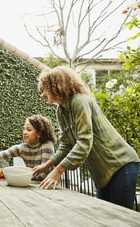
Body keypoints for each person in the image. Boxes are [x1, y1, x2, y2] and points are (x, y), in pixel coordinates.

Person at [33, 66, 140, 209]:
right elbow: (66, 144)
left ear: (55, 85)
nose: (42, 94)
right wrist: (45, 166)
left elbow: (84, 141)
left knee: (120, 217)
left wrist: (58, 170)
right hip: (103, 174)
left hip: (121, 164)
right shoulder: (61, 111)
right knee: (104, 216)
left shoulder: (80, 101)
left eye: (44, 89)